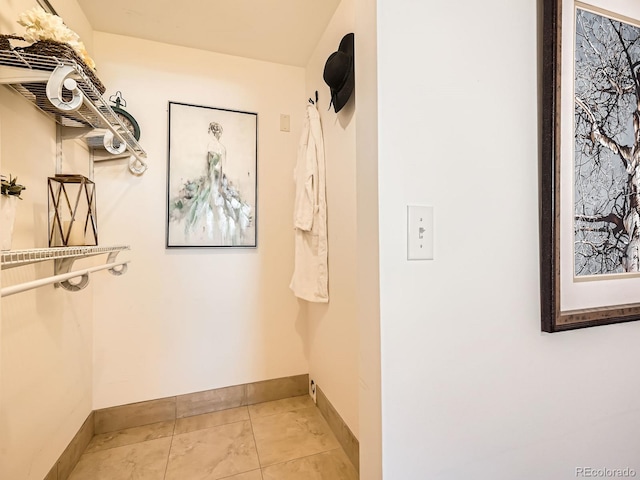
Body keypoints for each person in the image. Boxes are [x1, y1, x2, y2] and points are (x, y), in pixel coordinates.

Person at [169, 122, 251, 245]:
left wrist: (216, 183)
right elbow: (217, 168)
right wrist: (217, 183)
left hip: (215, 179)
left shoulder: (212, 146)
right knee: (211, 203)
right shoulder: (220, 147)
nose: (216, 134)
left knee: (210, 203)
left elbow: (213, 167)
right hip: (215, 179)